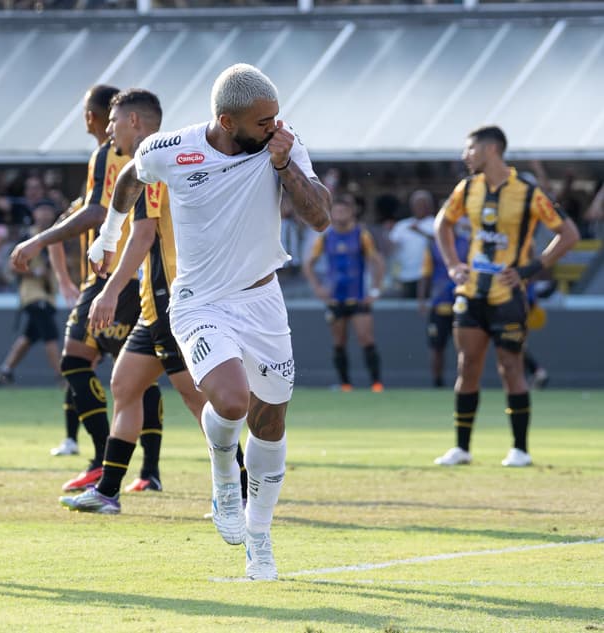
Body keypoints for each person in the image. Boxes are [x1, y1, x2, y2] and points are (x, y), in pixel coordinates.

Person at [86, 64, 330, 580]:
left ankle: (259, 537)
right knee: (233, 400)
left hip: (263, 302)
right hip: (199, 303)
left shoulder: (282, 145)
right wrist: (108, 235)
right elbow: (131, 176)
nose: (274, 126)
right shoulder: (172, 149)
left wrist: (285, 166)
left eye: (275, 118)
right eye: (263, 122)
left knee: (271, 422)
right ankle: (223, 476)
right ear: (226, 120)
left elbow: (321, 215)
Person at [58, 89, 243, 512]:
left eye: (114, 122)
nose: (109, 129)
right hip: (153, 304)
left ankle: (241, 486)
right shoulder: (171, 156)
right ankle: (108, 492)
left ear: (136, 122)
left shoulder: (156, 163)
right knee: (125, 385)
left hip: (173, 301)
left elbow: (143, 236)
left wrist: (107, 291)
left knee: (200, 403)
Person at [10, 84, 164, 487]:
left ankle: (107, 462)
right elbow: (84, 214)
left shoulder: (116, 156)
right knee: (133, 374)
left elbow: (95, 212)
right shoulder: (139, 155)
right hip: (133, 275)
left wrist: (39, 240)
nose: (103, 124)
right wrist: (62, 271)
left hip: (124, 276)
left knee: (87, 364)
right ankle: (145, 470)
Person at [433, 125, 578, 468]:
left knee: (511, 367)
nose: (465, 155)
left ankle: (520, 449)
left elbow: (568, 233)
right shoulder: (467, 189)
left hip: (508, 296)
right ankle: (462, 448)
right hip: (471, 294)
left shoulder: (528, 192)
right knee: (467, 367)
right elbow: (442, 224)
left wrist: (529, 269)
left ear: (491, 149)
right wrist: (454, 265)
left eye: (470, 149)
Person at [302, 193, 385, 392]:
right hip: (335, 298)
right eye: (336, 210)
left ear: (352, 212)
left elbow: (377, 262)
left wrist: (375, 290)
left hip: (357, 296)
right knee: (339, 342)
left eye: (344, 210)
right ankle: (345, 384)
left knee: (366, 339)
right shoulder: (326, 237)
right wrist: (317, 287)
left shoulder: (360, 235)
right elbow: (308, 264)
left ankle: (376, 383)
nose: (340, 214)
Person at [0, 201, 62, 386]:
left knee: (29, 336)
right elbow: (12, 266)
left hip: (48, 294)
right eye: (42, 210)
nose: (46, 215)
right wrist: (34, 272)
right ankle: (61, 377)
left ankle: (5, 370)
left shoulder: (56, 236)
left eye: (49, 210)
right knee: (51, 334)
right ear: (35, 214)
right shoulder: (28, 236)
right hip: (33, 293)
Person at [418, 218, 470, 388]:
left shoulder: (467, 243)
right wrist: (422, 299)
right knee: (436, 347)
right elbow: (426, 273)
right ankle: (437, 383)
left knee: (464, 348)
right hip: (439, 302)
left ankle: (464, 382)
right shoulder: (433, 245)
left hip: (463, 300)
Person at [389, 189, 436, 298]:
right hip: (405, 275)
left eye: (423, 204)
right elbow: (390, 248)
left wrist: (420, 231)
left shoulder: (436, 223)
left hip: (428, 276)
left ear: (429, 206)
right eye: (416, 204)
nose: (419, 207)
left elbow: (440, 242)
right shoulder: (402, 225)